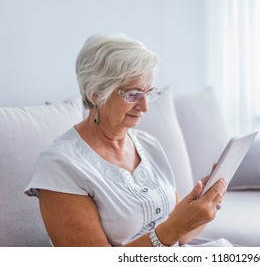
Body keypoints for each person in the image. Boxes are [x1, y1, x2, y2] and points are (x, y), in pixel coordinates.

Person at [24, 33, 228, 247]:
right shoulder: (60, 165)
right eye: (133, 94)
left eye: (149, 93)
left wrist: (206, 205)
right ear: (95, 93)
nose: (145, 107)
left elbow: (181, 235)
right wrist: (173, 229)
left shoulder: (149, 145)